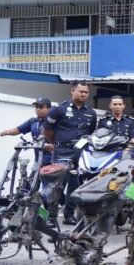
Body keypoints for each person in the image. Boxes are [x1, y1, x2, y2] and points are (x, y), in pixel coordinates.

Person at [44, 82, 97, 225]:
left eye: (86, 92)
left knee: (75, 185)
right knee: (58, 185)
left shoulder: (91, 113)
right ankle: (51, 217)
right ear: (72, 91)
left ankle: (69, 215)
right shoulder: (58, 110)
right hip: (62, 151)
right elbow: (47, 130)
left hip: (81, 153)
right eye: (81, 91)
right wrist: (57, 143)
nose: (84, 94)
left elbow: (90, 133)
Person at [0, 97, 52, 165]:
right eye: (36, 107)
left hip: (52, 161)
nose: (38, 109)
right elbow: (18, 129)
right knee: (32, 175)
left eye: (41, 107)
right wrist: (7, 132)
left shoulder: (53, 122)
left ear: (49, 108)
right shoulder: (33, 121)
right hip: (38, 161)